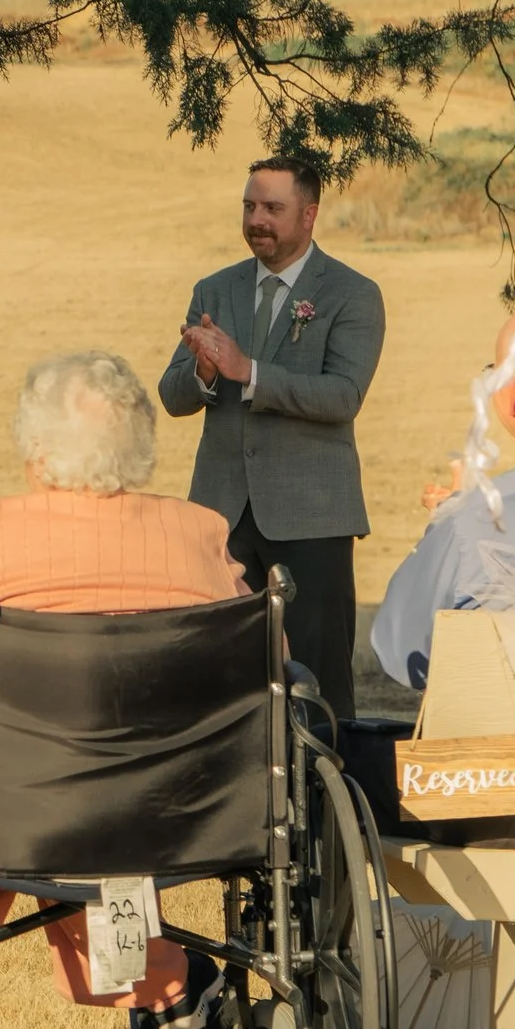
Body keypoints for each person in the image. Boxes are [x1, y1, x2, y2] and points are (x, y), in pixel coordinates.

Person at [0, 351, 247, 1029]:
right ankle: (164, 987)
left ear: (37, 453)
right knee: (78, 801)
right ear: (137, 449)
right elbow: (260, 657)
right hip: (175, 805)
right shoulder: (199, 536)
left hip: (8, 808)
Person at [159, 155, 385, 719]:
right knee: (218, 680)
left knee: (320, 685)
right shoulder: (215, 289)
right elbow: (172, 395)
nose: (257, 219)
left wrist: (250, 373)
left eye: (272, 209)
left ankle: (329, 798)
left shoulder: (353, 294)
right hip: (222, 519)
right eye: (250, 206)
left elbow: (343, 397)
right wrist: (204, 375)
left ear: (308, 215)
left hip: (313, 520)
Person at [374, 309, 515, 687]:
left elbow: (399, 651)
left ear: (514, 395)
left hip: (514, 743)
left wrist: (447, 525)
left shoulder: (476, 520)